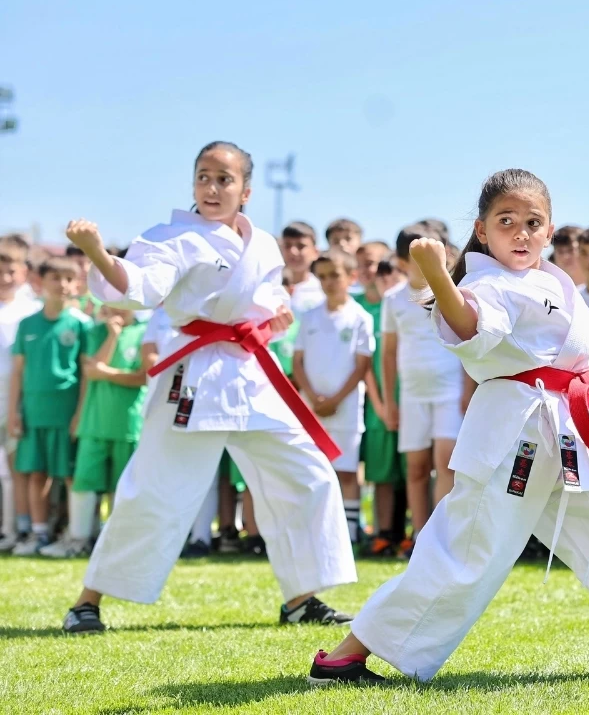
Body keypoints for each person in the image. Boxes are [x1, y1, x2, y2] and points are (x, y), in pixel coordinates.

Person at [308, 168, 589, 685]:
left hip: (567, 429)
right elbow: (471, 327)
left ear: (549, 229)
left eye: (532, 222)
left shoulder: (551, 279)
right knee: (467, 549)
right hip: (514, 433)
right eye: (506, 221)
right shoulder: (485, 281)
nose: (520, 232)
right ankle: (346, 656)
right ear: (482, 228)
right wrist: (436, 274)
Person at [59, 141, 355, 634]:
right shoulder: (174, 237)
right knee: (153, 488)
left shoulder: (261, 243)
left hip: (250, 373)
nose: (213, 188)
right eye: (203, 177)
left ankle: (301, 598)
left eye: (224, 178)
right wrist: (95, 252)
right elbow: (136, 284)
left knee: (308, 474)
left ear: (246, 190)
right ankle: (87, 603)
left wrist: (273, 316)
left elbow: (270, 296)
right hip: (195, 376)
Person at [383, 225, 465, 554]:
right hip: (413, 393)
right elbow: (389, 352)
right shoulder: (393, 299)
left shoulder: (451, 291)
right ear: (404, 261)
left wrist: (467, 388)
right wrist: (391, 401)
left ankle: (441, 537)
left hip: (449, 389)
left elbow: (464, 340)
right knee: (416, 467)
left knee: (446, 461)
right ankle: (419, 537)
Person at [41, 305, 148, 558]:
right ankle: (78, 540)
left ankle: (116, 543)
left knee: (122, 486)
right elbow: (91, 370)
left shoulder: (146, 331)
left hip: (128, 423)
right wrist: (112, 336)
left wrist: (106, 373)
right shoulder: (95, 331)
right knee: (84, 481)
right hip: (94, 421)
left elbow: (142, 376)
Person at [8, 258, 92, 555]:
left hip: (67, 411)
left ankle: (75, 534)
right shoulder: (27, 324)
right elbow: (18, 371)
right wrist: (13, 412)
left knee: (70, 474)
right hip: (33, 410)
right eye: (55, 278)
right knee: (35, 473)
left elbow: (85, 374)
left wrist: (80, 413)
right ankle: (38, 533)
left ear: (78, 284)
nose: (62, 284)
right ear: (41, 282)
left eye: (69, 279)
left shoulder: (82, 325)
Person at [294, 250, 375, 546]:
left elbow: (362, 366)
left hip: (346, 408)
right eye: (323, 276)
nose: (329, 282)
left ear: (351, 277)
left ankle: (349, 536)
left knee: (347, 472)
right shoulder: (309, 316)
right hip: (311, 409)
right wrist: (313, 398)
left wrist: (335, 399)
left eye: (335, 275)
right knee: (313, 471)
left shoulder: (360, 318)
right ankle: (314, 533)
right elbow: (298, 362)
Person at [354, 242, 402, 555]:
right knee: (381, 473)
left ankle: (410, 534)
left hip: (412, 397)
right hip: (378, 404)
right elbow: (366, 363)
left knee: (416, 471)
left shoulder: (407, 305)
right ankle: (382, 533)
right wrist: (382, 403)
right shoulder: (358, 308)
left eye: (386, 270)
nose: (378, 275)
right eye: (372, 267)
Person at [0, 240, 41, 551]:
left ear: (24, 272)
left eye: (11, 271)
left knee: (16, 471)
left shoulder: (32, 310)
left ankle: (12, 531)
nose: (5, 278)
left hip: (19, 401)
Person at [281, 221, 324, 315]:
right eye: (287, 245)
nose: (293, 251)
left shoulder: (323, 290)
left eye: (301, 246)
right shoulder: (270, 286)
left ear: (315, 252)